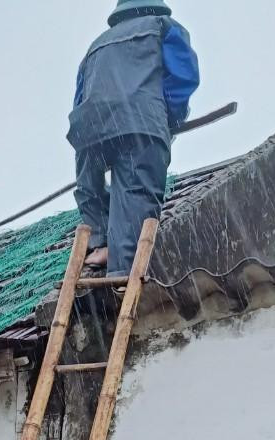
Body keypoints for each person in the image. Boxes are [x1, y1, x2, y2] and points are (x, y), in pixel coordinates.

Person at [68, 1, 199, 274]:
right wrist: (169, 120)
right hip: (140, 121)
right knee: (136, 193)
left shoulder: (96, 45)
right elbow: (182, 80)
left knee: (88, 189)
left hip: (89, 127)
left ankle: (100, 244)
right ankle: (121, 274)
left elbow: (80, 95)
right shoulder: (164, 28)